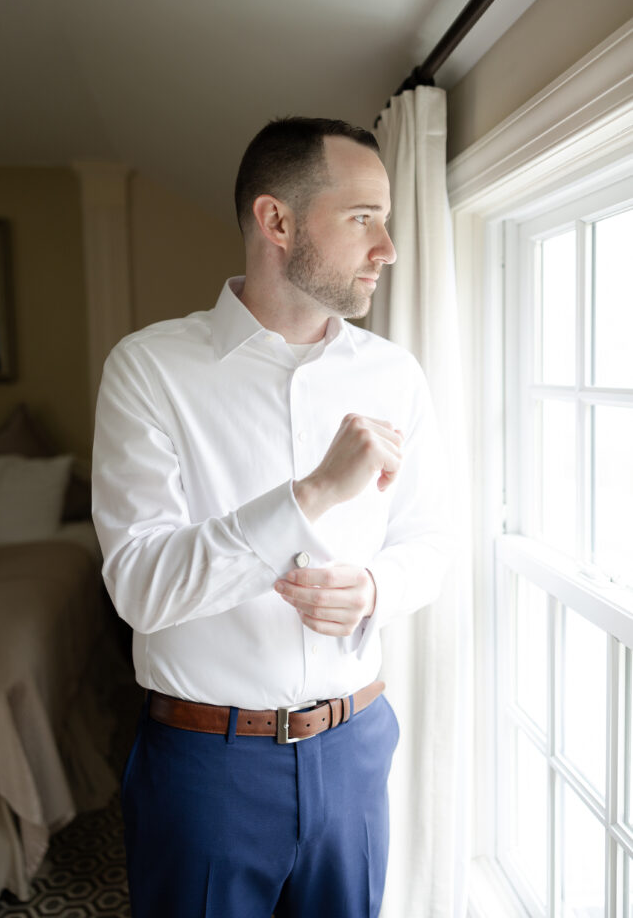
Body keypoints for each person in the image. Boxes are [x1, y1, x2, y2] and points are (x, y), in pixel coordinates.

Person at [92, 116, 451, 918]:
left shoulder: (394, 374)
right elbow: (140, 590)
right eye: (363, 218)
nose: (386, 248)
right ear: (276, 221)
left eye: (385, 219)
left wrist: (371, 589)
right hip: (204, 766)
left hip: (354, 747)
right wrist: (312, 493)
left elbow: (430, 543)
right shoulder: (149, 370)